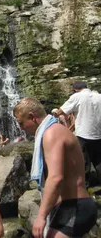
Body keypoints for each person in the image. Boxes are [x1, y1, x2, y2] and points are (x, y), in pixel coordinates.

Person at [14, 97, 97, 238]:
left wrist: (41, 216)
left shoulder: (52, 133)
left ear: (32, 117)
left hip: (75, 206)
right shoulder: (54, 130)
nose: (21, 128)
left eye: (21, 123)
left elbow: (56, 177)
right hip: (69, 206)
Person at [55, 81, 101, 185]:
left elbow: (60, 112)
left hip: (83, 135)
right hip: (99, 134)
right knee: (99, 162)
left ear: (75, 89)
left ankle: (85, 190)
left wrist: (55, 114)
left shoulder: (77, 96)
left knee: (83, 163)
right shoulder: (99, 96)